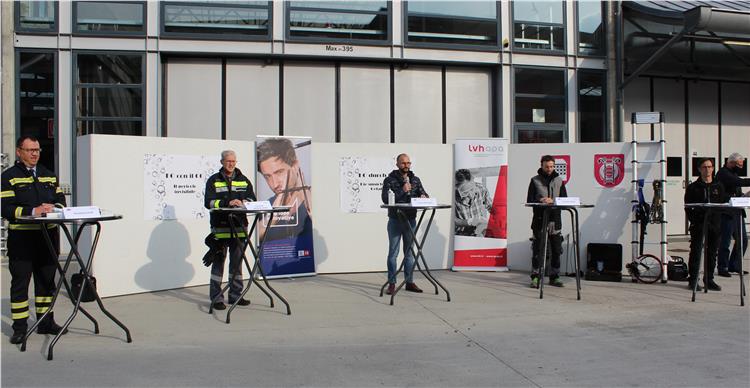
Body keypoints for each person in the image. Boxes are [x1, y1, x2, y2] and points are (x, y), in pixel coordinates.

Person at [1, 136, 67, 344]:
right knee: (20, 283)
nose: (34, 154)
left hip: (47, 238)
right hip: (22, 239)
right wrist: (33, 210)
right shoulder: (8, 177)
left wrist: (54, 208)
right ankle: (20, 328)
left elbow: (61, 202)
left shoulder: (48, 175)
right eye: (30, 150)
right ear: (19, 151)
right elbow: (5, 208)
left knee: (47, 282)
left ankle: (46, 322)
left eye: (37, 150)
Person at [204, 150, 256, 310]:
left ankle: (236, 296)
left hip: (239, 228)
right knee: (218, 265)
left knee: (237, 264)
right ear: (221, 162)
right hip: (220, 229)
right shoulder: (213, 180)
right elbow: (209, 202)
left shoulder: (243, 180)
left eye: (233, 161)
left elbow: (252, 199)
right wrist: (228, 202)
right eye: (228, 161)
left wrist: (241, 202)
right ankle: (217, 299)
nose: (231, 164)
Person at [381, 154, 428, 295]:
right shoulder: (389, 180)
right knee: (393, 253)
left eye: (408, 163)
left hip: (410, 220)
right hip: (396, 220)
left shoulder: (415, 180)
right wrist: (403, 190)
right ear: (397, 164)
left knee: (410, 253)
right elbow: (385, 199)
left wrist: (424, 196)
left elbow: (424, 193)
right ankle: (392, 283)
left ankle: (409, 281)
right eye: (403, 163)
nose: (406, 165)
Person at [256, 138, 312, 242]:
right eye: (267, 176)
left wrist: (306, 194)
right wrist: (272, 216)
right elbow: (249, 241)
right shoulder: (267, 206)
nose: (275, 184)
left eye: (279, 172)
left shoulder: (316, 197)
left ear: (295, 165)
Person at [684, 158, 726, 291]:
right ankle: (693, 280)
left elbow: (722, 204)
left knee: (712, 252)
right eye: (704, 167)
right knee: (696, 252)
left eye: (709, 167)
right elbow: (687, 206)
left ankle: (709, 279)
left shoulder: (718, 186)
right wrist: (694, 220)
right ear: (699, 169)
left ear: (713, 168)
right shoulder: (693, 187)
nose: (707, 169)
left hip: (714, 225)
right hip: (699, 224)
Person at [526, 155, 567, 288]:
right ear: (541, 166)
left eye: (551, 166)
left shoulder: (559, 181)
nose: (549, 169)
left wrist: (553, 201)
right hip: (539, 220)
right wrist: (541, 200)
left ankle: (554, 277)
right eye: (546, 166)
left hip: (555, 220)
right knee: (538, 250)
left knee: (556, 250)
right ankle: (535, 278)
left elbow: (565, 200)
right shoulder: (534, 180)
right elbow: (529, 199)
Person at [715, 152, 750, 277]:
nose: (741, 168)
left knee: (743, 240)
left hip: (737, 211)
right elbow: (739, 182)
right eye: (739, 165)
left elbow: (737, 190)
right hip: (726, 212)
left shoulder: (733, 174)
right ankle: (722, 266)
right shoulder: (723, 173)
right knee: (725, 241)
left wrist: (745, 196)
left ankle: (734, 265)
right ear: (731, 163)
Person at [454, 169, 492, 237]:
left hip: (480, 231)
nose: (471, 195)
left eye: (472, 189)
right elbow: (453, 220)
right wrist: (470, 221)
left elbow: (491, 207)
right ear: (456, 188)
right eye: (465, 193)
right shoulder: (452, 196)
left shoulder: (481, 189)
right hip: (461, 235)